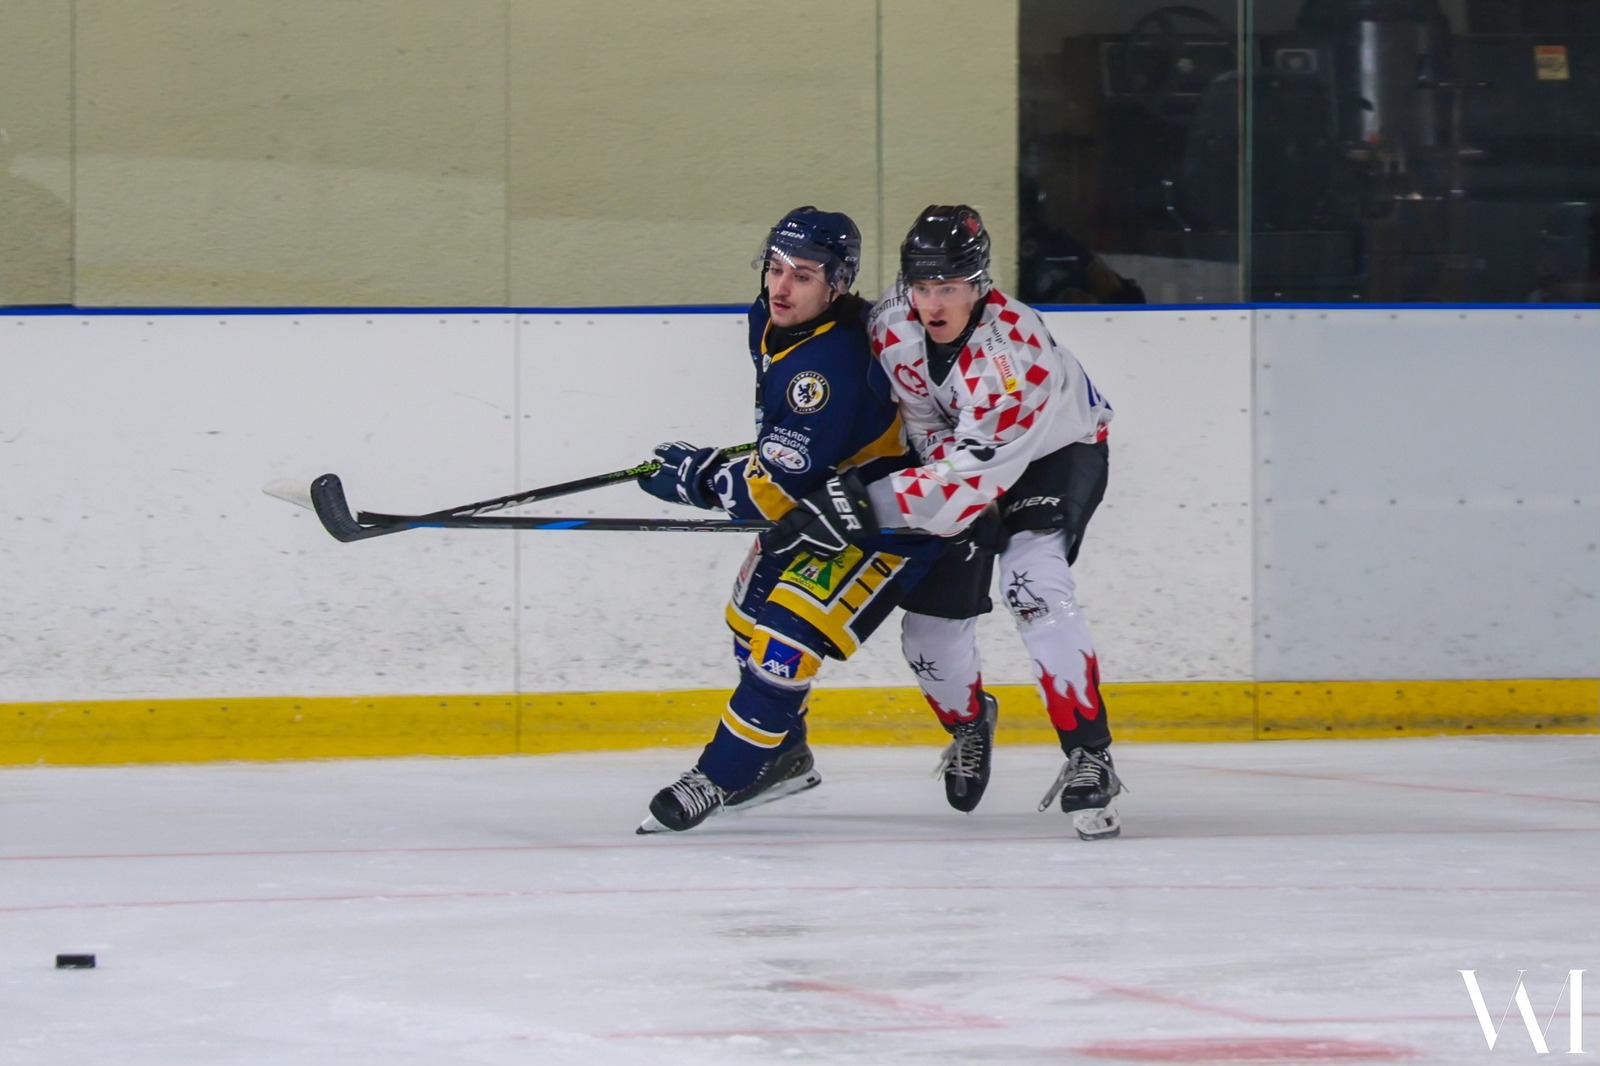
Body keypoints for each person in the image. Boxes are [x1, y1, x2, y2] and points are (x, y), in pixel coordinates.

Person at [764, 204, 1125, 840]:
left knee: (1033, 583)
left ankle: (1090, 755)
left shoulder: (1014, 356)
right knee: (929, 629)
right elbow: (923, 424)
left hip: (1054, 452)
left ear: (980, 285)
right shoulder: (892, 320)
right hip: (957, 463)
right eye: (923, 286)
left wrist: (862, 502)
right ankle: (968, 723)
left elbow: (967, 483)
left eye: (950, 288)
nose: (933, 304)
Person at [633, 206, 960, 835]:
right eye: (775, 268)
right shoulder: (770, 320)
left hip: (885, 517)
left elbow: (768, 494)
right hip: (822, 496)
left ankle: (720, 775)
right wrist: (783, 452)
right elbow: (788, 449)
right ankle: (782, 756)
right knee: (746, 617)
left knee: (785, 641)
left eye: (803, 276)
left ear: (837, 285)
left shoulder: (830, 364)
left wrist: (699, 479)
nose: (781, 288)